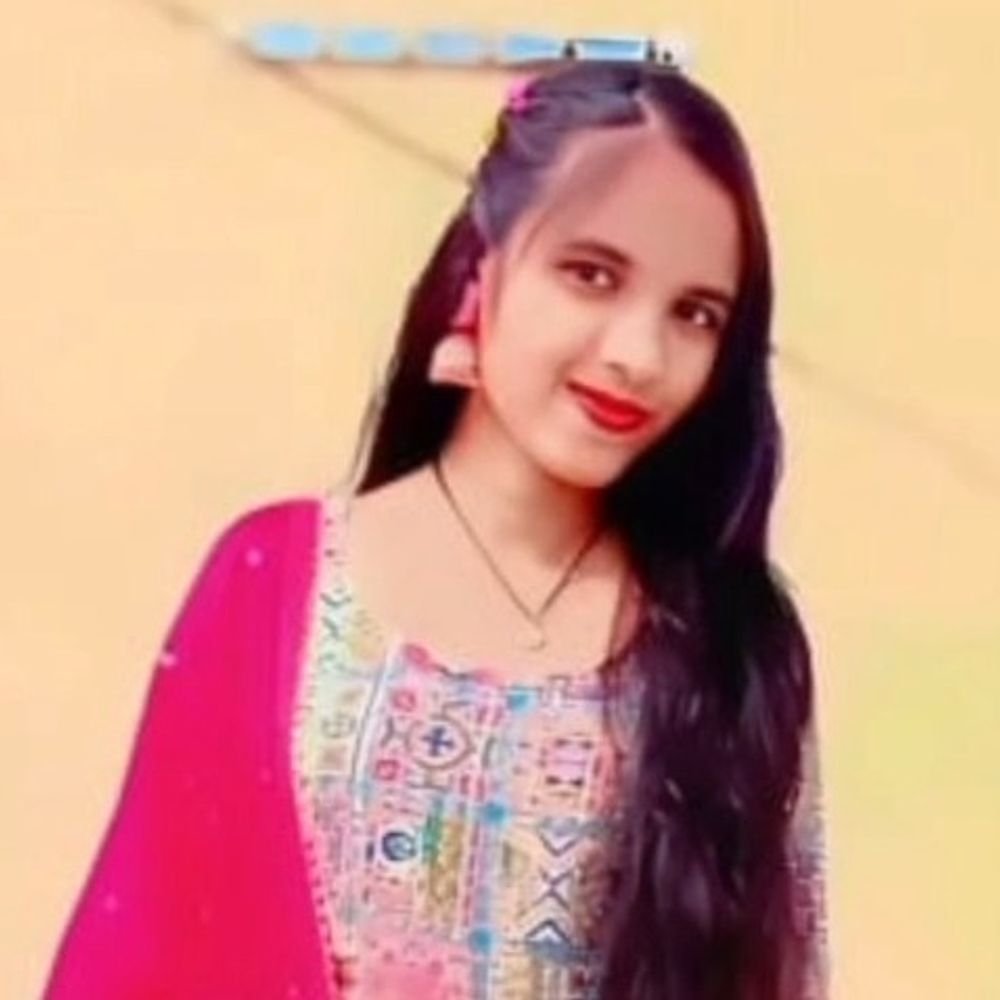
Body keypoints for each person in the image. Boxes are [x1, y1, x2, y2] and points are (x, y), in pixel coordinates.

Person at [44, 58, 829, 1000]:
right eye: (591, 274)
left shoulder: (731, 651)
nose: (638, 354)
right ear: (477, 269)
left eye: (694, 314)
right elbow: (138, 950)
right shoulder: (274, 584)